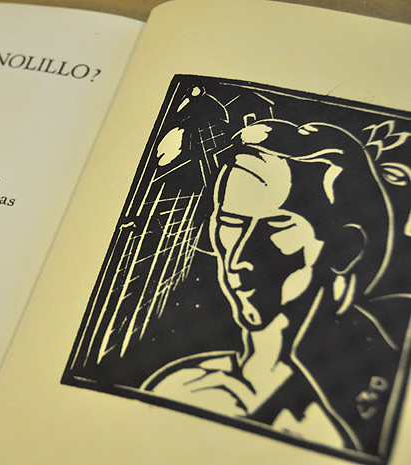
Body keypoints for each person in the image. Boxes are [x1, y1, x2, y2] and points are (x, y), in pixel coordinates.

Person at [142, 120, 409, 455]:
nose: (239, 258)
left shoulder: (362, 395)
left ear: (345, 248)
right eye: (230, 222)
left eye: (276, 226)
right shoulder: (182, 384)